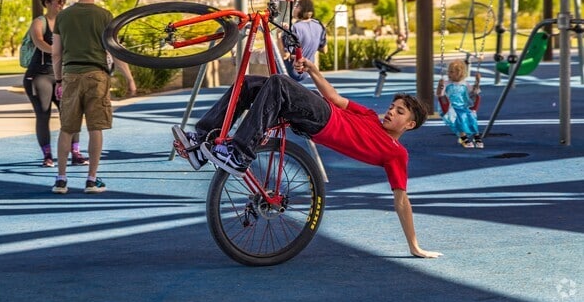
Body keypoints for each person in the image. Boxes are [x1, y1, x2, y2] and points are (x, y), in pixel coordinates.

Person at [173, 58, 442, 258]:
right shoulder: (370, 116)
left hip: (323, 119)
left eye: (400, 112)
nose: (391, 112)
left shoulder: (396, 153)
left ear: (410, 125)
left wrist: (414, 245)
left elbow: (401, 199)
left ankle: (239, 153)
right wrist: (314, 70)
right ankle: (200, 142)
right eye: (393, 107)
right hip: (320, 111)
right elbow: (335, 97)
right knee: (250, 83)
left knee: (279, 82)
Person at [51, 0, 132, 194]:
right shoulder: (105, 16)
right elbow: (115, 52)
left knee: (67, 129)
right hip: (97, 77)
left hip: (70, 76)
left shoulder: (63, 17)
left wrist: (59, 80)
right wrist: (129, 78)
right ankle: (91, 179)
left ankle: (61, 179)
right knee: (96, 128)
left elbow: (56, 53)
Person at [23, 0, 88, 168]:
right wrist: (57, 51)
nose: (62, 4)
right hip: (40, 75)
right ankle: (48, 156)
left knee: (71, 114)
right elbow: (39, 41)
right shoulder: (39, 22)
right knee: (43, 115)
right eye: (58, 1)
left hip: (61, 75)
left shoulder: (66, 22)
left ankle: (75, 153)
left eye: (64, 1)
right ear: (47, 3)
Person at [436, 59, 483, 149]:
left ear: (459, 73)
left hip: (463, 106)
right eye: (448, 72)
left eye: (451, 72)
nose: (448, 74)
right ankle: (463, 137)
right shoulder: (446, 83)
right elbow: (439, 94)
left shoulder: (465, 84)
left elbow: (474, 93)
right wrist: (440, 86)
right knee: (459, 119)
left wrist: (477, 82)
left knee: (471, 117)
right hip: (450, 107)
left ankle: (476, 136)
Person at [281, 0, 327, 82]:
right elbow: (324, 50)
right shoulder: (319, 25)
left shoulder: (294, 28)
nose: (293, 9)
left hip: (292, 71)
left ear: (300, 9)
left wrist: (280, 35)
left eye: (296, 7)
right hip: (309, 71)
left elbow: (285, 55)